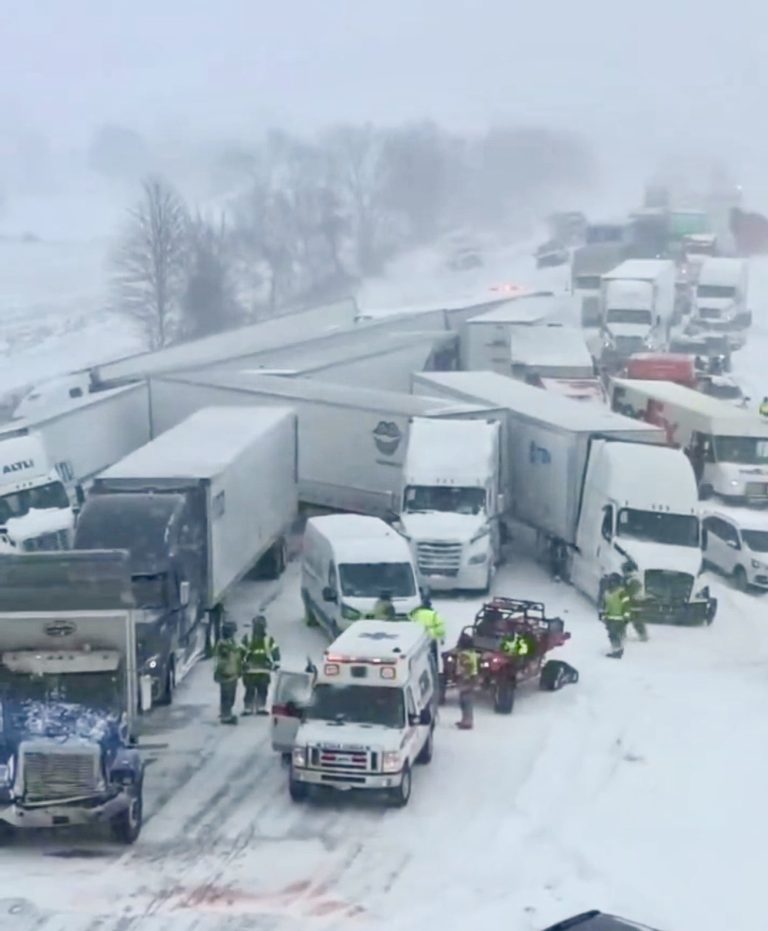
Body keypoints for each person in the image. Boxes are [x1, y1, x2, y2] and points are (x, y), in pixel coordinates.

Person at [241, 614, 281, 715]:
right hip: (256, 671)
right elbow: (241, 652)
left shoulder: (251, 638)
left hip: (257, 671)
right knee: (255, 690)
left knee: (259, 690)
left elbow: (275, 652)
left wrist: (276, 664)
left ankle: (254, 708)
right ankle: (254, 708)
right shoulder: (252, 639)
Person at [213, 619, 242, 723]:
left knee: (231, 696)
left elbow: (237, 658)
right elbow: (222, 661)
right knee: (226, 696)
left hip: (233, 674)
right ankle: (226, 716)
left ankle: (227, 713)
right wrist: (219, 673)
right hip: (226, 674)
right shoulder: (223, 645)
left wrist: (239, 670)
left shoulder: (231, 643)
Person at [600, 573, 631, 659]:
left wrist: (626, 616)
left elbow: (626, 605)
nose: (611, 584)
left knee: (614, 634)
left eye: (613, 582)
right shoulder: (607, 593)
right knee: (611, 634)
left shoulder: (622, 592)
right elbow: (605, 604)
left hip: (619, 618)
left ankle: (617, 650)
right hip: (609, 618)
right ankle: (617, 648)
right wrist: (602, 614)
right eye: (610, 582)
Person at [409, 596, 446, 665]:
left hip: (418, 639)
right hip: (431, 638)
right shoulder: (434, 614)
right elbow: (440, 628)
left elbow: (410, 621)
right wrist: (442, 638)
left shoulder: (416, 613)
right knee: (432, 658)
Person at [455, 632, 480, 730]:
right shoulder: (471, 654)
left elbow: (466, 667)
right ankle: (465, 720)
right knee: (464, 700)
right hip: (469, 678)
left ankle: (467, 722)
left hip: (467, 678)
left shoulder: (465, 655)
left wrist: (464, 678)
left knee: (466, 701)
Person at [622, 561, 649, 642]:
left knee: (636, 620)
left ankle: (643, 635)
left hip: (634, 604)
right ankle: (642, 634)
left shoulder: (633, 580)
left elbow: (631, 592)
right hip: (633, 603)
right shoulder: (631, 579)